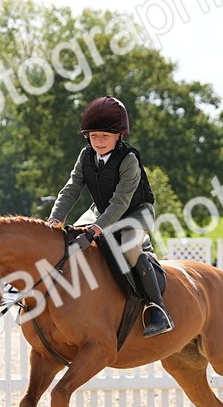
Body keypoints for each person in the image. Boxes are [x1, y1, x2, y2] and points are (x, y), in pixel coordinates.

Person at [45, 95, 172, 337]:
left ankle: (158, 309)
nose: (99, 141)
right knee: (69, 240)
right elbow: (71, 189)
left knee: (128, 247)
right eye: (94, 136)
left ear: (118, 136)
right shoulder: (85, 157)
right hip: (101, 210)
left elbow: (121, 202)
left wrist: (95, 229)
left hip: (136, 212)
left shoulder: (129, 159)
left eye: (105, 136)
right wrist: (55, 219)